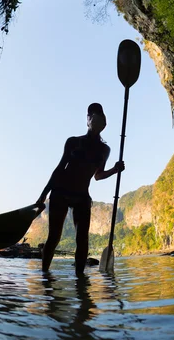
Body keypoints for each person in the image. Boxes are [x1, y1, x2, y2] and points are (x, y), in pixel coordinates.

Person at [36, 103, 124, 276]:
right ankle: (44, 275)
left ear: (105, 124)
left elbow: (97, 176)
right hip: (60, 192)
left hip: (82, 196)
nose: (95, 118)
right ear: (87, 121)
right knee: (54, 237)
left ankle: (80, 279)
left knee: (82, 240)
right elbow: (59, 169)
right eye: (91, 115)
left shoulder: (104, 150)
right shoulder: (73, 142)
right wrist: (42, 196)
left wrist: (114, 170)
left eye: (99, 115)